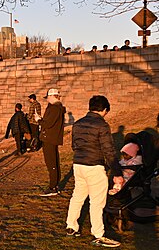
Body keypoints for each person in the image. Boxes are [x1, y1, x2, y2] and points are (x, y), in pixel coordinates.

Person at [65, 95, 123, 248]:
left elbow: (74, 146)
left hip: (78, 164)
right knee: (97, 203)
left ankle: (71, 226)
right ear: (104, 110)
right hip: (94, 167)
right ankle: (98, 234)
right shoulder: (102, 125)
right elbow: (109, 151)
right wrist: (117, 172)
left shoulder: (77, 124)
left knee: (77, 197)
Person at [37, 88, 66, 196]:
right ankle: (55, 185)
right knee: (54, 162)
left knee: (51, 163)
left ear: (53, 96)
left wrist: (39, 120)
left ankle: (53, 187)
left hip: (50, 138)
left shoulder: (55, 108)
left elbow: (48, 123)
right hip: (52, 138)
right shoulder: (56, 108)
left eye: (48, 97)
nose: (47, 99)